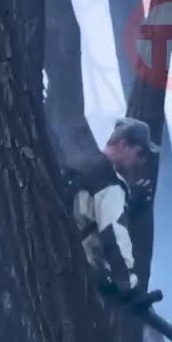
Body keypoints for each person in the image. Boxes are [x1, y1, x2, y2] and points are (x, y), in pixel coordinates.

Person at [64, 117, 157, 299]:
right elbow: (113, 232)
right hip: (83, 277)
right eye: (140, 153)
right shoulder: (108, 181)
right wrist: (127, 284)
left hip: (64, 264)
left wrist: (129, 206)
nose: (142, 161)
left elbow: (89, 217)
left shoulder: (83, 168)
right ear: (123, 144)